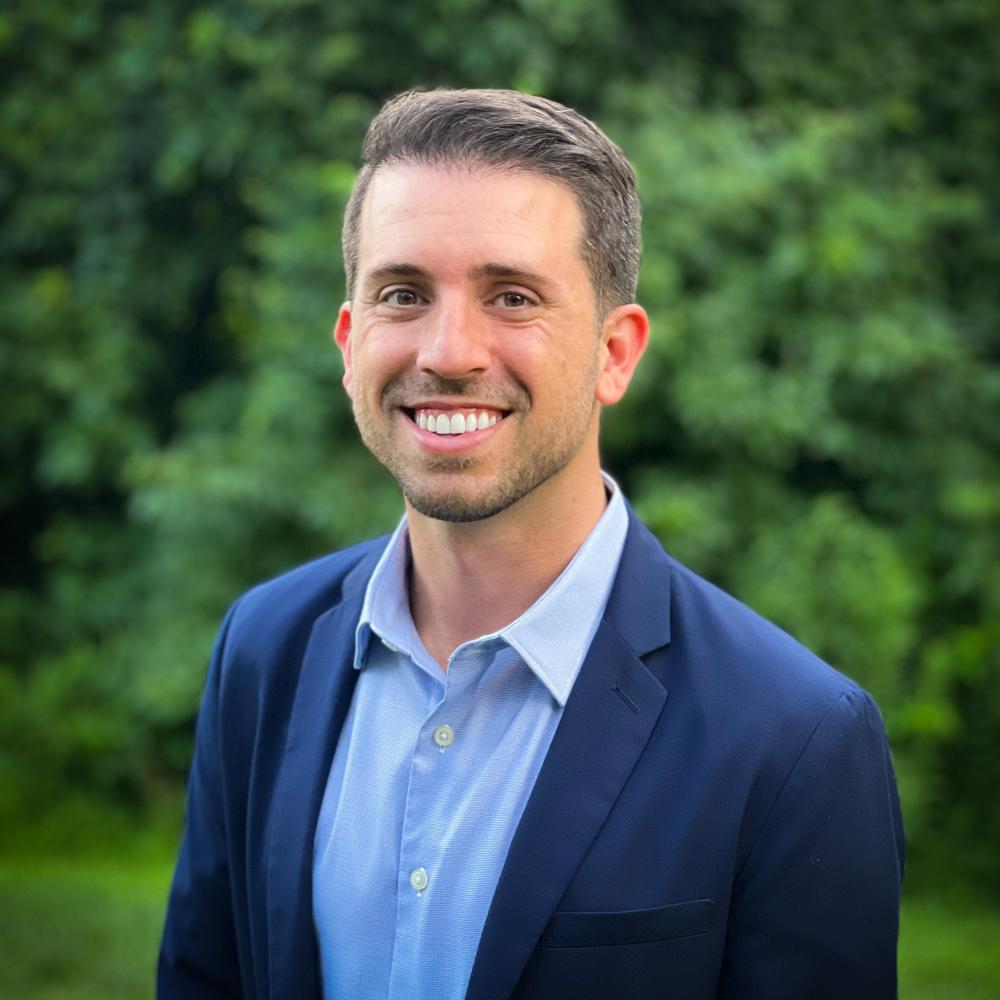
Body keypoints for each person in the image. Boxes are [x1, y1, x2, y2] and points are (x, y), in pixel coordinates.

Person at [158, 88, 905, 1000]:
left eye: (512, 296)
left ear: (614, 353)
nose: (449, 351)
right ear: (350, 343)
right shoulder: (263, 647)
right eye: (403, 293)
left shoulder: (796, 740)